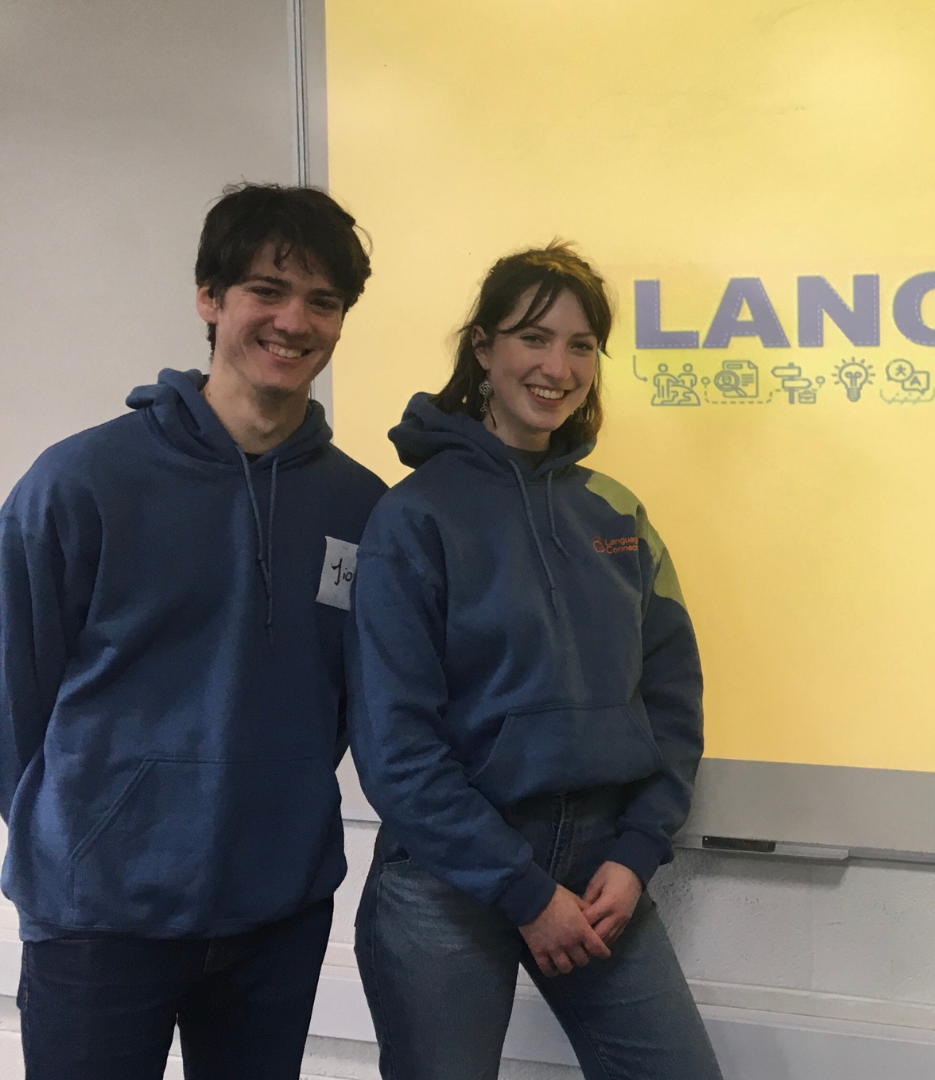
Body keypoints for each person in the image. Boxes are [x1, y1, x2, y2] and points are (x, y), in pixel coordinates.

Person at [0, 184, 386, 1077]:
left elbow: (342, 699)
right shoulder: (80, 484)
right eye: (267, 290)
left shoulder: (362, 507)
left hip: (275, 916)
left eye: (323, 302)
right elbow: (13, 695)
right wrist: (84, 838)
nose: (295, 321)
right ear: (209, 300)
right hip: (99, 919)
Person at [348, 243, 721, 1080]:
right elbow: (395, 746)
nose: (558, 366)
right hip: (447, 876)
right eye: (533, 338)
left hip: (597, 867)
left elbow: (671, 701)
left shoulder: (614, 511)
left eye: (582, 345)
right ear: (483, 349)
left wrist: (635, 851)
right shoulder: (414, 519)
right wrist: (522, 892)